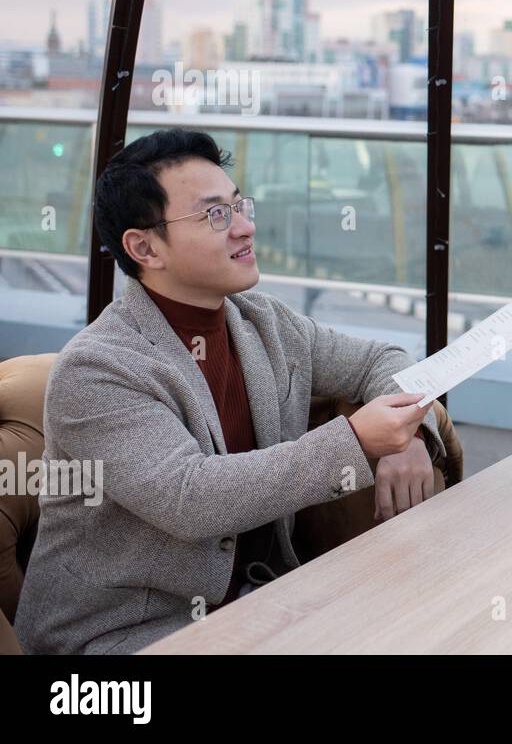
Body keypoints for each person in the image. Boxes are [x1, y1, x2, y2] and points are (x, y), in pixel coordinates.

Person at [16, 129, 448, 654]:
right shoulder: (98, 368)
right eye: (215, 214)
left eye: (239, 204)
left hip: (264, 604)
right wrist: (358, 442)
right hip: (123, 638)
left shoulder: (264, 323)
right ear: (144, 246)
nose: (245, 227)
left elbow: (383, 360)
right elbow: (191, 498)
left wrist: (413, 437)